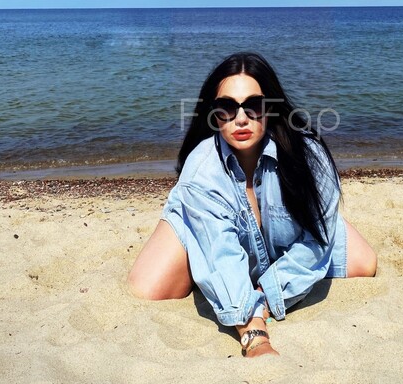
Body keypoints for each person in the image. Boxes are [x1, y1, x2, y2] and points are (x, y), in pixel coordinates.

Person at [127, 52, 377, 358]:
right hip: (207, 221)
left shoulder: (308, 155)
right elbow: (221, 256)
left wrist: (267, 292)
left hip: (279, 240)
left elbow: (317, 241)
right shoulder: (202, 170)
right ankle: (192, 245)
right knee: (151, 288)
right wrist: (256, 336)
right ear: (214, 114)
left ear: (270, 108)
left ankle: (293, 235)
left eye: (254, 106)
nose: (241, 119)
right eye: (227, 107)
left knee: (364, 263)